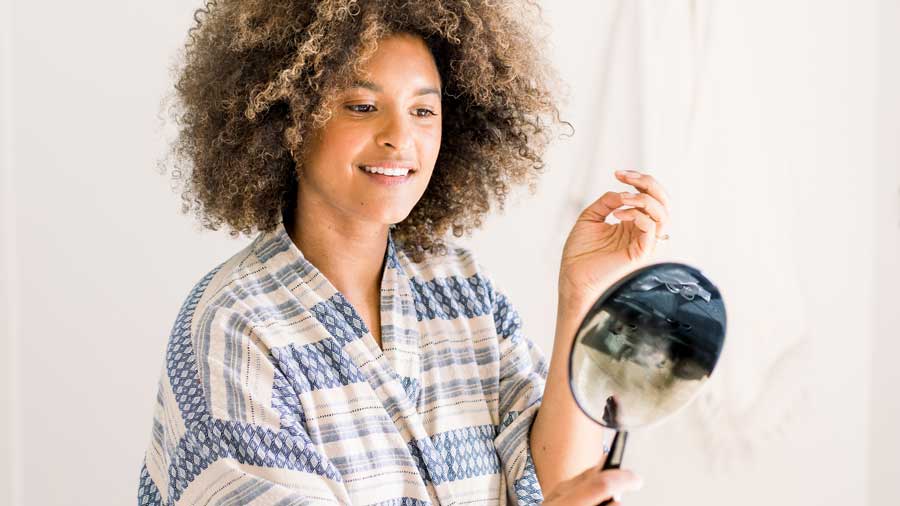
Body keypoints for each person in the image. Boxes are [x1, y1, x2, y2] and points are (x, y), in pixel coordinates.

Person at [138, 1, 670, 504]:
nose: (400, 136)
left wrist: (582, 297)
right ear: (289, 120)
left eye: (423, 110)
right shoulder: (234, 328)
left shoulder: (461, 290)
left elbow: (558, 480)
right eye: (362, 106)